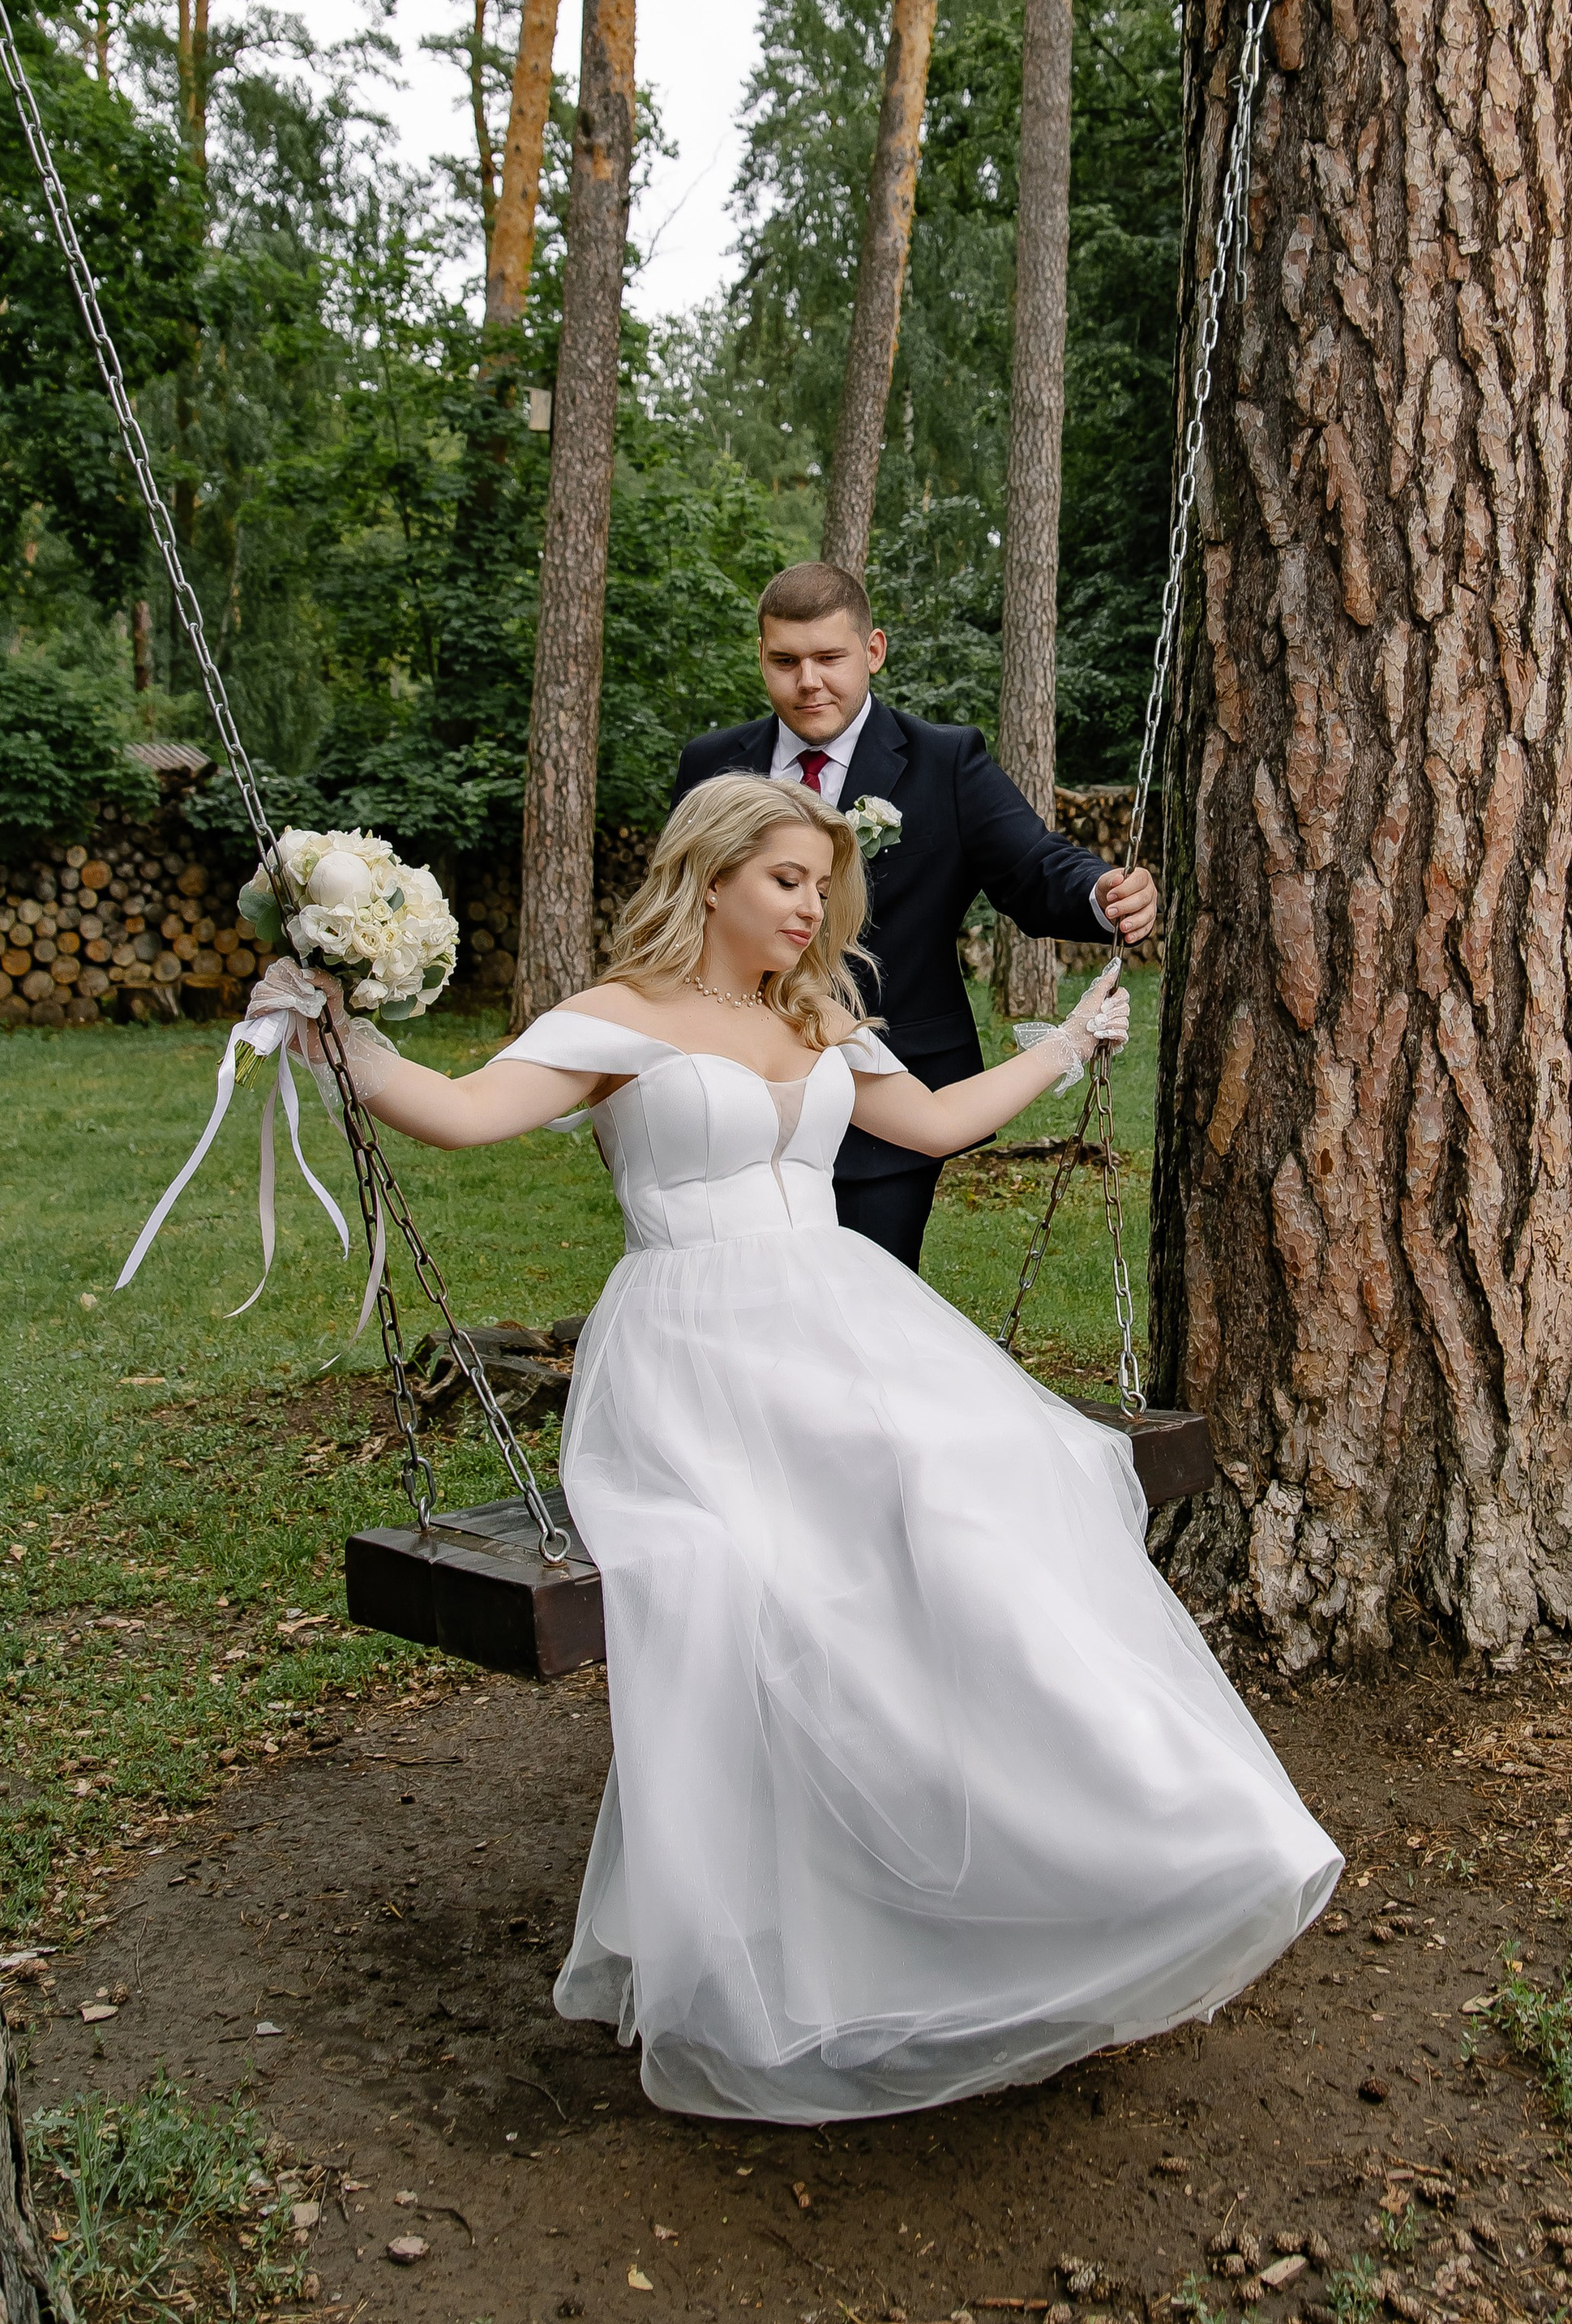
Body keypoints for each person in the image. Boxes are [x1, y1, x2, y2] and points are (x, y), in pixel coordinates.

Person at [290, 774, 1339, 2122]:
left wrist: (1071, 1043)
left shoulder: (818, 1015)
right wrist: (340, 1034)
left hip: (843, 1316)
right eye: (787, 880)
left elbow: (939, 1125)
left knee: (990, 1488)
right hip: (693, 1351)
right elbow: (460, 1113)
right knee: (770, 1581)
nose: (812, 907)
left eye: (820, 886)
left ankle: (1116, 1828)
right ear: (711, 875)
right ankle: (823, 1921)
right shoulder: (616, 1018)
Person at [671, 560, 1159, 1269]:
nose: (808, 680)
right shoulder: (713, 764)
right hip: (736, 1086)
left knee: (861, 1301)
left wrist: (1099, 890)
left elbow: (1032, 867)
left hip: (892, 1090)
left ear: (873, 652)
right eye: (786, 660)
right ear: (763, 659)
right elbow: (680, 906)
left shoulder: (944, 761)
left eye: (829, 658)